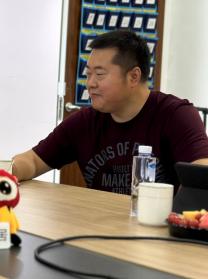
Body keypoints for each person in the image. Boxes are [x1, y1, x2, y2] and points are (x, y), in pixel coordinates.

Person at [12, 30, 208, 194]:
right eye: (88, 74)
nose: (90, 83)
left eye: (100, 74)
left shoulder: (176, 115)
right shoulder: (84, 122)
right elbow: (33, 161)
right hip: (99, 222)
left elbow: (201, 175)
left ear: (133, 77)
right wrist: (5, 171)